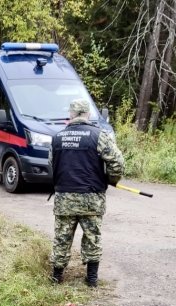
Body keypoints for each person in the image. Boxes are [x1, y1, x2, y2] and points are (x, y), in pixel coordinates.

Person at [48, 98, 124, 287]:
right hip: (92, 198)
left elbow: (51, 164)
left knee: (62, 238)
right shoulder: (99, 135)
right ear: (87, 114)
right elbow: (118, 163)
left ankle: (56, 277)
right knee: (92, 237)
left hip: (64, 197)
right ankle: (91, 279)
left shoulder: (57, 137)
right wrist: (111, 180)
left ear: (71, 115)